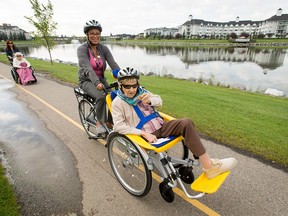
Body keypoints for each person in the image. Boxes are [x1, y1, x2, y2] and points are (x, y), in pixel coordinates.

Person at [111, 67, 237, 179]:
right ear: (120, 85)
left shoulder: (143, 92)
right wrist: (144, 134)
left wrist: (150, 100)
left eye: (134, 85)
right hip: (145, 135)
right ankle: (210, 166)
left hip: (161, 126)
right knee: (183, 125)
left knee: (186, 122)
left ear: (138, 83)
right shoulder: (118, 103)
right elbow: (118, 126)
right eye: (127, 86)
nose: (132, 89)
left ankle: (209, 166)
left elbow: (159, 101)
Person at [77, 19, 120, 133]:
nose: (95, 36)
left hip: (101, 79)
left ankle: (110, 121)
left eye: (97, 33)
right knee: (101, 96)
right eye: (92, 33)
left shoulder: (103, 48)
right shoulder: (82, 49)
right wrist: (96, 83)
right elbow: (88, 68)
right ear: (87, 34)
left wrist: (123, 77)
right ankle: (99, 122)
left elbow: (113, 64)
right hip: (86, 81)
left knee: (116, 96)